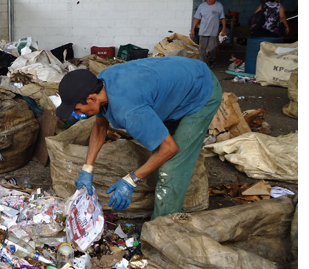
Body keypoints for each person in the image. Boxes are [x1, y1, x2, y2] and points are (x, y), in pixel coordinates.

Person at [55, 56, 222, 220]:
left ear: (91, 98)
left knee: (171, 168)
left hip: (200, 91)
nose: (77, 115)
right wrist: (87, 169)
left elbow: (169, 148)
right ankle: (167, 205)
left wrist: (130, 180)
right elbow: (100, 126)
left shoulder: (129, 110)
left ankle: (163, 231)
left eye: (77, 109)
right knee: (160, 157)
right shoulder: (101, 84)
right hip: (179, 80)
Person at [190, 0, 227, 67]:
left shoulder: (219, 6)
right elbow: (197, 18)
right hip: (203, 30)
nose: (211, 0)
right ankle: (202, 63)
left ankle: (211, 61)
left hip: (213, 31)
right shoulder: (202, 6)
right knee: (202, 48)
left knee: (212, 48)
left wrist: (224, 28)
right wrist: (193, 29)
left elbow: (222, 18)